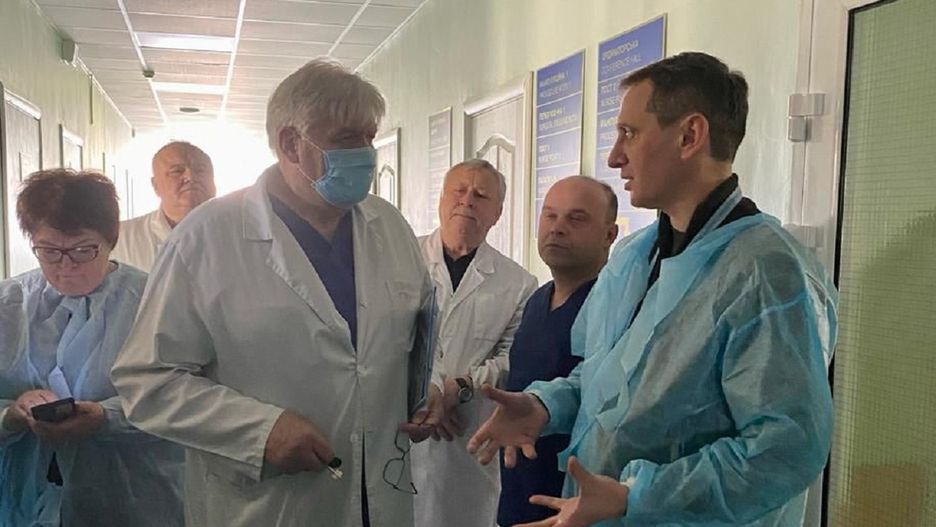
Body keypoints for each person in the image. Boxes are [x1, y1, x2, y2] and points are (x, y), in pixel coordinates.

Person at [469, 52, 837, 527]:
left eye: (629, 133)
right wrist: (544, 406)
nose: (614, 157)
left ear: (690, 136)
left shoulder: (765, 271)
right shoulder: (638, 257)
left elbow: (785, 450)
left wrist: (637, 496)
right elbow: (609, 383)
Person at [111, 58, 433, 527]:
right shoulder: (206, 237)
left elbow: (416, 335)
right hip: (268, 504)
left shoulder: (390, 226)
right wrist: (260, 431)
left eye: (370, 137)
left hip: (382, 493)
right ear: (290, 143)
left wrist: (431, 390)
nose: (365, 154)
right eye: (347, 139)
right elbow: (148, 381)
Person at [0, 169, 184, 527]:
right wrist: (12, 415)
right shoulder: (9, 304)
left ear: (110, 240)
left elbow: (181, 398)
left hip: (132, 496)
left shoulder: (155, 303)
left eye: (83, 250)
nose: (66, 266)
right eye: (49, 251)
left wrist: (107, 418)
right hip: (23, 498)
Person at [407, 159, 537, 527]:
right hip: (404, 428)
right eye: (459, 191)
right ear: (441, 200)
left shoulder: (518, 284)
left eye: (481, 196)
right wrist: (429, 391)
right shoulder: (403, 259)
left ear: (497, 213)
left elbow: (511, 358)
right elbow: (386, 336)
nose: (467, 201)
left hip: (467, 436)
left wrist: (459, 388)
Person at [496, 175, 617, 527]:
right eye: (550, 215)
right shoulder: (537, 301)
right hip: (518, 493)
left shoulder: (614, 308)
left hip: (574, 503)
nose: (557, 228)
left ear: (609, 235)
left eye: (576, 218)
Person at [110, 141, 215, 271]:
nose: (190, 177)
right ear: (155, 185)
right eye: (177, 171)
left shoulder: (235, 231)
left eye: (200, 170)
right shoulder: (121, 238)